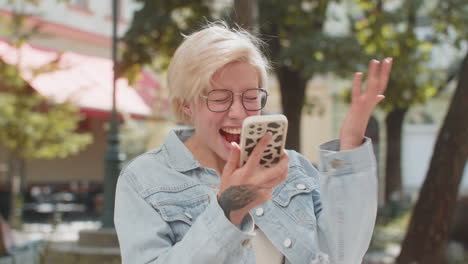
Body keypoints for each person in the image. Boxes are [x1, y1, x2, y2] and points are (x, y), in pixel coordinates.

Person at [114, 23, 392, 264]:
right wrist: (228, 211)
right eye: (220, 97)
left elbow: (342, 255)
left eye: (250, 96)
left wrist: (351, 139)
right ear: (187, 105)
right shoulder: (144, 180)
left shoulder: (291, 167)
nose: (238, 112)